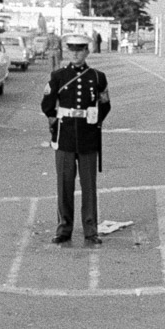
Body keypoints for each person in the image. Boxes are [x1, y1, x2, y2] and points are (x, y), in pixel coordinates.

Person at [40, 35, 110, 245]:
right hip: (66, 137)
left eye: (80, 50)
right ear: (68, 52)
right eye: (72, 50)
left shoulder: (97, 77)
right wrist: (54, 123)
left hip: (88, 137)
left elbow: (105, 104)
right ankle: (64, 229)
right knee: (64, 184)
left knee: (89, 186)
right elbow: (47, 104)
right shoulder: (58, 76)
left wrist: (95, 122)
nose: (76, 53)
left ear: (87, 52)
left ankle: (91, 230)